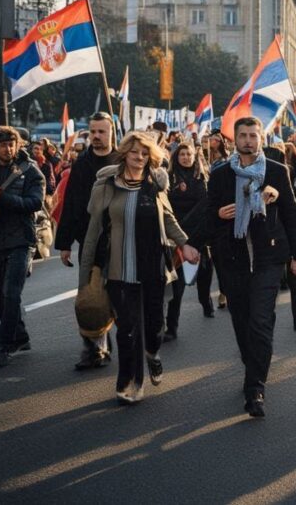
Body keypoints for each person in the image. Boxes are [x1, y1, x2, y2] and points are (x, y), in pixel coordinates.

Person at [79, 132, 198, 404]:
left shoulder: (154, 184)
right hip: (119, 269)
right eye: (134, 152)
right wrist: (85, 276)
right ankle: (129, 381)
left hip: (152, 266)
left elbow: (167, 218)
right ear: (124, 154)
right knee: (127, 328)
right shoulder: (107, 183)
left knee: (154, 326)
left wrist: (185, 244)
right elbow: (93, 227)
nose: (140, 157)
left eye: (145, 154)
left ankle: (153, 355)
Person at [206, 117, 296, 416]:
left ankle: (255, 390)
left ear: (262, 138)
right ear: (234, 139)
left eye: (254, 135)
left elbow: (290, 215)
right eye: (243, 135)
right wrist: (219, 216)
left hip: (268, 257)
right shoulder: (221, 174)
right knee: (241, 320)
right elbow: (209, 216)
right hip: (233, 259)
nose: (249, 140)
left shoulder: (277, 171)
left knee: (261, 321)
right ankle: (253, 364)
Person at [0, 127, 46, 369]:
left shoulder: (30, 170)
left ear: (18, 145)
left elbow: (35, 203)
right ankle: (21, 337)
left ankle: (4, 346)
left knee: (11, 292)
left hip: (21, 240)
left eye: (12, 144)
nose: (8, 148)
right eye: (3, 144)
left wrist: (1, 200)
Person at [54, 111, 118, 370]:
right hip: (91, 243)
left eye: (102, 131)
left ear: (111, 132)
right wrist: (65, 243)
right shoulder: (81, 164)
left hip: (119, 242)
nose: (97, 137)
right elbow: (71, 205)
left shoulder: (123, 161)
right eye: (93, 132)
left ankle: (111, 339)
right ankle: (94, 349)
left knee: (116, 297)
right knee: (89, 298)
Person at [165, 140, 213, 335]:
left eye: (189, 154)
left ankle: (206, 303)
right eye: (182, 154)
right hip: (178, 238)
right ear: (177, 157)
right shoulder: (169, 178)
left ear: (195, 157)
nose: (185, 157)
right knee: (177, 286)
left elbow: (206, 207)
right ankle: (172, 328)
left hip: (199, 236)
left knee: (204, 277)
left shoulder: (202, 178)